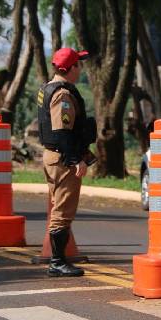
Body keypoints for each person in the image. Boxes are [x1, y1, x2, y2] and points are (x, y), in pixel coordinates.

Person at [37, 47, 97, 277]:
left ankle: (58, 260)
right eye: (78, 65)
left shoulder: (47, 88)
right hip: (62, 158)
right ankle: (57, 261)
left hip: (53, 156)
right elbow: (62, 131)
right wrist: (75, 160)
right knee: (62, 210)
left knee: (59, 207)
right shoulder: (62, 95)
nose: (80, 69)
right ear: (70, 68)